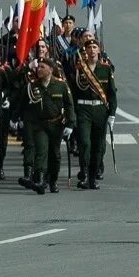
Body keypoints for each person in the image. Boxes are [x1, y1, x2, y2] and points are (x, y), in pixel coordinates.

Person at [18, 60, 75, 196]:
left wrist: (70, 125)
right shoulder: (32, 86)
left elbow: (69, 105)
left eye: (42, 67)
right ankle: (40, 181)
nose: (39, 70)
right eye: (38, 67)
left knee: (55, 154)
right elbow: (22, 103)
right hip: (39, 125)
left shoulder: (61, 85)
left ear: (50, 69)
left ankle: (53, 181)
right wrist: (18, 119)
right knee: (41, 151)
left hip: (56, 125)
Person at [71, 36, 116, 189]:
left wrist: (112, 114)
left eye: (94, 48)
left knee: (99, 146)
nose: (91, 50)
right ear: (86, 50)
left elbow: (111, 93)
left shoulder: (106, 69)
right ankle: (84, 174)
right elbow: (72, 93)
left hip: (100, 111)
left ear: (99, 50)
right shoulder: (79, 69)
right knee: (85, 143)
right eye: (89, 48)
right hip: (83, 110)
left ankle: (92, 177)